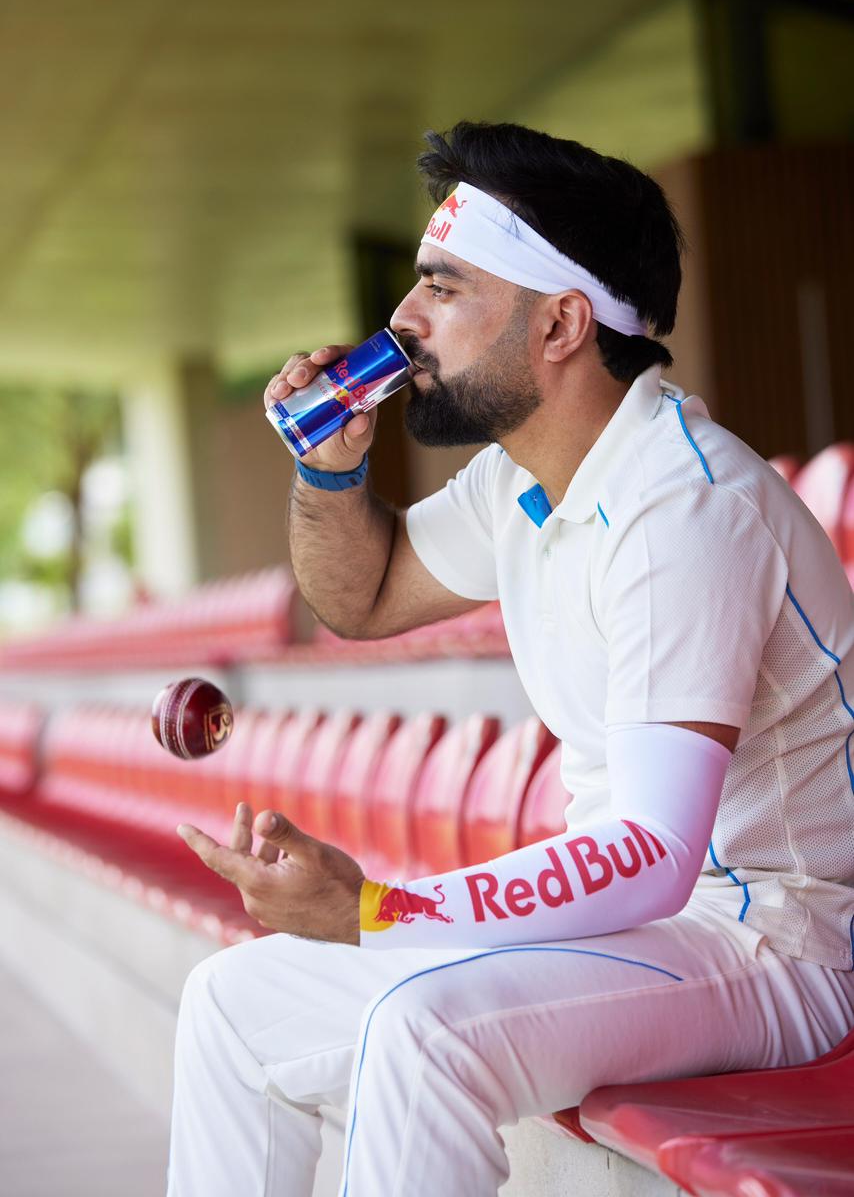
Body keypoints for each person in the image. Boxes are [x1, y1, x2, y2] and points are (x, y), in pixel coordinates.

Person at [167, 122, 854, 1196]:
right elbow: (363, 595)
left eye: (442, 286)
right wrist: (330, 469)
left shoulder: (687, 507)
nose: (402, 320)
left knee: (423, 1026)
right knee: (231, 1001)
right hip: (650, 931)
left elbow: (649, 853)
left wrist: (376, 911)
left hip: (770, 948)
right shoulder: (518, 482)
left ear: (560, 324)